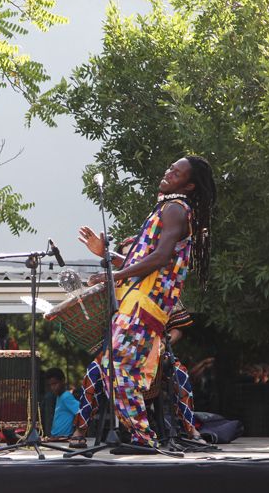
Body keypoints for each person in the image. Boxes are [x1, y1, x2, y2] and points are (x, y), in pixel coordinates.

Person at [69, 156, 216, 449]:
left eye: (176, 173)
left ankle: (143, 437)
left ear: (188, 185)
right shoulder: (168, 208)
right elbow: (144, 261)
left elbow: (160, 258)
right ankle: (142, 437)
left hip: (143, 306)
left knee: (115, 367)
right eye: (170, 167)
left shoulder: (176, 209)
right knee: (120, 370)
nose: (168, 172)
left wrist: (116, 276)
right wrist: (106, 256)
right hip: (139, 303)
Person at [45, 368, 78, 438]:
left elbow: (82, 413)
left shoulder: (66, 396)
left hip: (64, 438)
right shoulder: (59, 397)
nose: (52, 387)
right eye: (50, 385)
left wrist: (77, 432)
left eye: (54, 384)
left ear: (63, 381)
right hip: (55, 437)